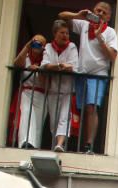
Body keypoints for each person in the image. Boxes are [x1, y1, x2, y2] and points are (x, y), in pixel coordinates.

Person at [60, 3, 118, 154]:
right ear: (93, 11)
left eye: (104, 12)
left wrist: (100, 37)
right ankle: (76, 142)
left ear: (108, 17)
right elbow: (61, 17)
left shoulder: (110, 32)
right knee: (82, 109)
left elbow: (112, 57)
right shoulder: (84, 25)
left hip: (97, 75)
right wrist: (77, 15)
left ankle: (89, 145)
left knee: (92, 107)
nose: (100, 13)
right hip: (81, 73)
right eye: (98, 10)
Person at [42, 20, 78, 153]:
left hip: (67, 90)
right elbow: (45, 64)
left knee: (64, 117)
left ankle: (60, 144)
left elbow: (75, 66)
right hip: (52, 89)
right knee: (54, 120)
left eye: (67, 33)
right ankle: (55, 145)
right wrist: (59, 66)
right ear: (55, 34)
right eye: (62, 33)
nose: (65, 36)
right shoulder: (48, 47)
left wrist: (63, 66)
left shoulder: (72, 47)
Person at [13, 35, 48, 149]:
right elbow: (17, 63)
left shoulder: (46, 60)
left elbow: (46, 83)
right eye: (35, 43)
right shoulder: (26, 57)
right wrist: (27, 45)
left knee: (38, 122)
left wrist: (39, 70)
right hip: (27, 92)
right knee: (26, 114)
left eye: (39, 44)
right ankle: (24, 143)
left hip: (41, 94)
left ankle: (34, 146)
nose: (36, 46)